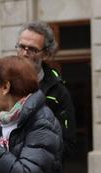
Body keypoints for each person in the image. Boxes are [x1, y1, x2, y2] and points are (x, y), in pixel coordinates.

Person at [15, 22, 76, 158]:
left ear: (46, 54)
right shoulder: (4, 83)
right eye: (21, 47)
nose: (25, 53)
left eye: (32, 49)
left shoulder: (59, 91)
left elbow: (68, 142)